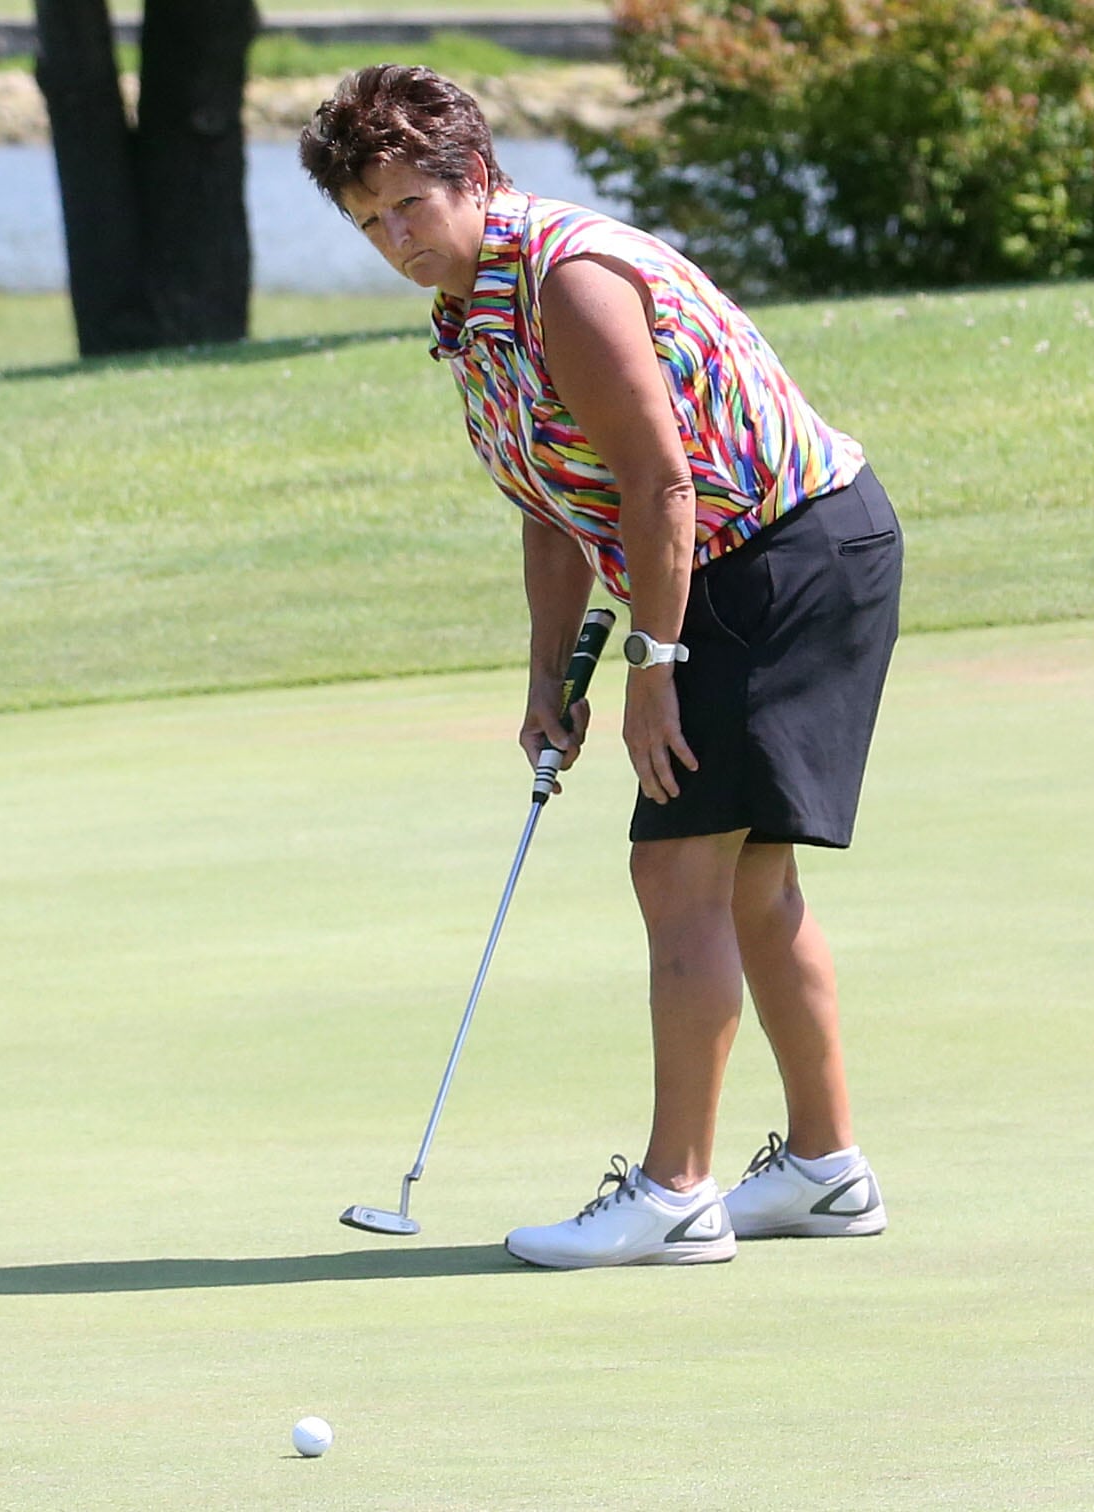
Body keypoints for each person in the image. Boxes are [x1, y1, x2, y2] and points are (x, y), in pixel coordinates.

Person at [300, 66, 904, 1268]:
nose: (394, 239)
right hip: (745, 561)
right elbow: (551, 505)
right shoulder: (472, 309)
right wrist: (546, 678)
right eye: (368, 221)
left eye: (410, 205)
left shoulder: (563, 280)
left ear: (473, 177)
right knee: (745, 881)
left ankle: (676, 1194)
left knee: (675, 869)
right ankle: (828, 1172)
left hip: (779, 557)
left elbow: (659, 484)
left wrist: (654, 661)